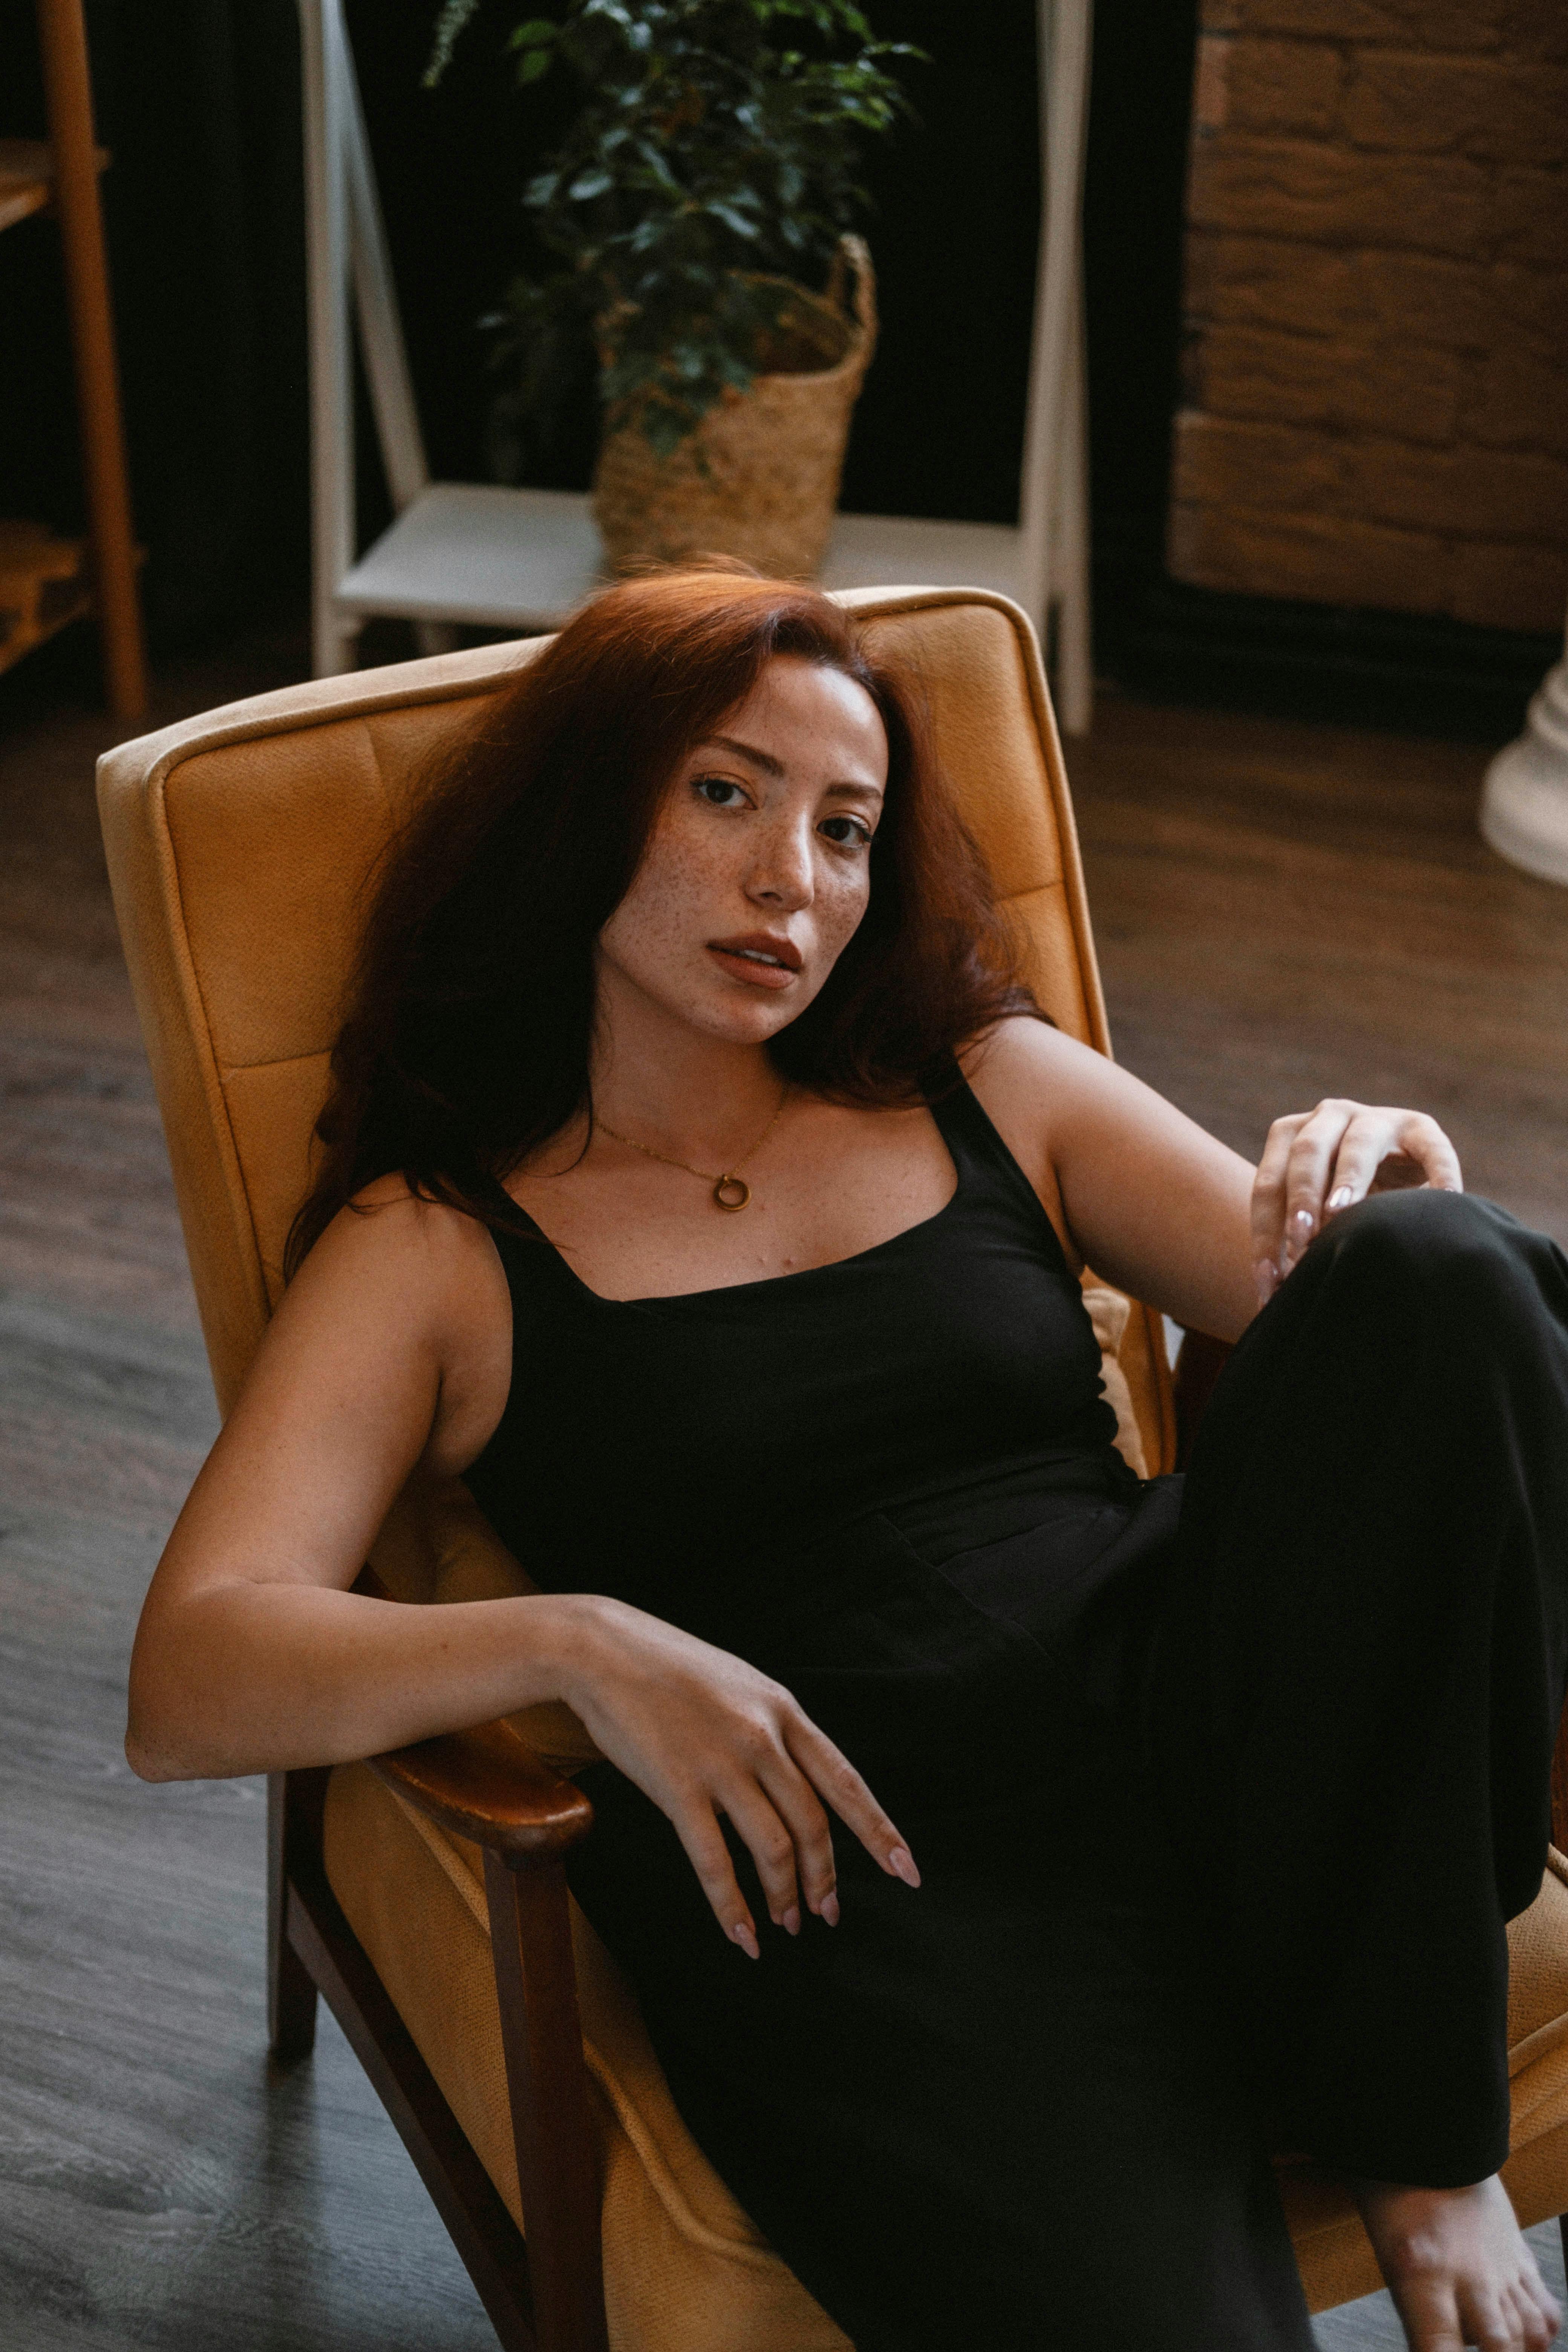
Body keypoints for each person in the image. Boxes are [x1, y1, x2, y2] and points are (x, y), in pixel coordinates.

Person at [126, 566, 1568, 2352]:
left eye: (843, 828)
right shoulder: (435, 1245)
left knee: (1442, 1261)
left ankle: (1416, 2137)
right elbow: (190, 1674)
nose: (788, 882)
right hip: (884, 1887)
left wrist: (1381, 1177)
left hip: (1197, 1708)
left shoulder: (984, 1080)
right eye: (723, 792)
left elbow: (1378, 1342)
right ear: (586, 809)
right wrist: (576, 1644)